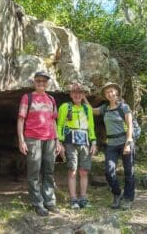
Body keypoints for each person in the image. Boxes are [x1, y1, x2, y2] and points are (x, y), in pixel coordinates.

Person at [84, 82, 135, 210]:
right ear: (105, 95)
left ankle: (128, 198)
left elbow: (130, 126)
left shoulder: (124, 107)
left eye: (111, 91)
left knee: (129, 172)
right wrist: (84, 97)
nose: (110, 94)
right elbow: (90, 110)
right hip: (111, 144)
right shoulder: (104, 108)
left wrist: (128, 143)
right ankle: (117, 194)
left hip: (124, 142)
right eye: (107, 92)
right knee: (108, 171)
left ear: (116, 92)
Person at [17, 71, 61, 216]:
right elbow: (21, 120)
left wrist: (57, 140)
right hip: (32, 138)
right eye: (38, 81)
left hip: (49, 139)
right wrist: (21, 140)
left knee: (49, 171)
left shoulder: (51, 99)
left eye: (44, 81)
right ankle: (38, 203)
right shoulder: (27, 98)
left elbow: (53, 121)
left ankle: (49, 202)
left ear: (47, 83)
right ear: (34, 82)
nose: (41, 83)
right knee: (34, 172)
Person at [57, 82, 97, 209]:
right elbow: (60, 125)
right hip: (70, 142)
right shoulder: (65, 107)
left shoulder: (87, 109)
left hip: (85, 142)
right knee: (72, 171)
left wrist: (94, 142)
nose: (77, 95)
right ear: (70, 94)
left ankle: (83, 198)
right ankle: (73, 199)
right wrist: (60, 143)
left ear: (83, 94)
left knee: (84, 171)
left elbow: (91, 127)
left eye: (80, 92)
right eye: (75, 92)